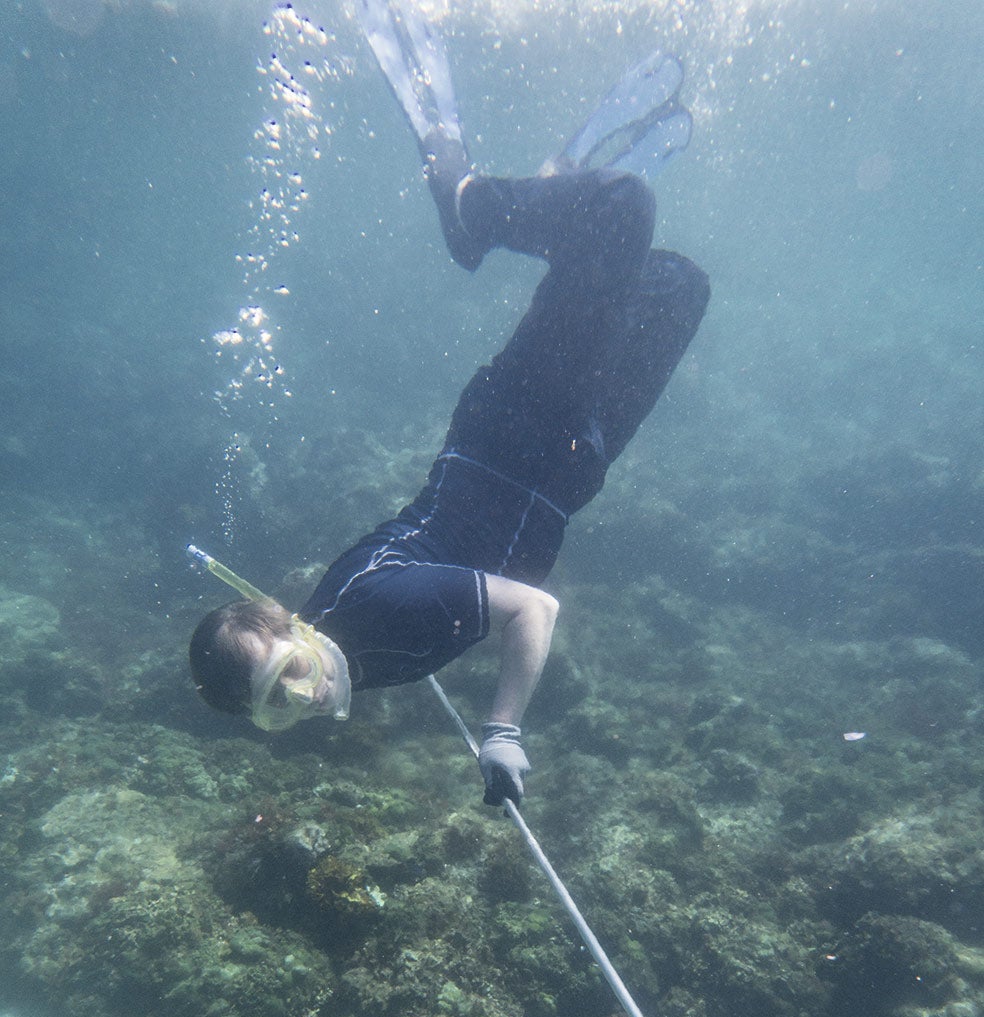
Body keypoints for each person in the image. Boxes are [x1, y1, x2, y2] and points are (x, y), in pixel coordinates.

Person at [189, 0, 709, 807]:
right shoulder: (349, 644)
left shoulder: (373, 612)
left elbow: (533, 608)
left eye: (286, 673)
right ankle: (553, 208)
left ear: (294, 629)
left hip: (520, 433)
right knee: (676, 287)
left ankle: (474, 211)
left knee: (621, 213)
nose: (299, 696)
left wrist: (502, 728)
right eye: (274, 709)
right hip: (567, 470)